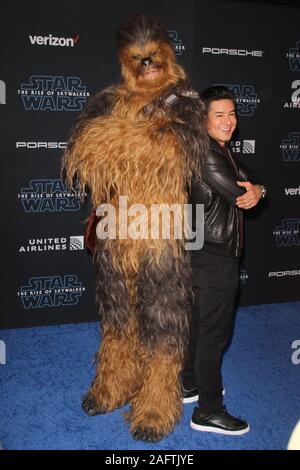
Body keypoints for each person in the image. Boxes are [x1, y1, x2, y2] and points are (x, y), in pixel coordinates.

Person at [63, 14, 207, 442]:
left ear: (169, 56)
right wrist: (134, 138)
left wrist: (118, 142)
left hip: (160, 232)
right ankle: (114, 384)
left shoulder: (185, 102)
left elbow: (172, 153)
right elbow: (81, 148)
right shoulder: (109, 99)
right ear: (126, 64)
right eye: (138, 60)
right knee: (117, 315)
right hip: (115, 230)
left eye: (154, 57)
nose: (147, 65)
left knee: (163, 323)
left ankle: (156, 406)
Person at [181, 85, 267, 435]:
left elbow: (252, 180)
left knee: (199, 328)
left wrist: (260, 189)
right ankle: (208, 411)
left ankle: (188, 384)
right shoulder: (206, 154)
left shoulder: (217, 150)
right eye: (219, 114)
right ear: (202, 119)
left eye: (232, 113)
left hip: (202, 251)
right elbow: (237, 191)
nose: (229, 121)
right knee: (215, 335)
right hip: (214, 257)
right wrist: (252, 190)